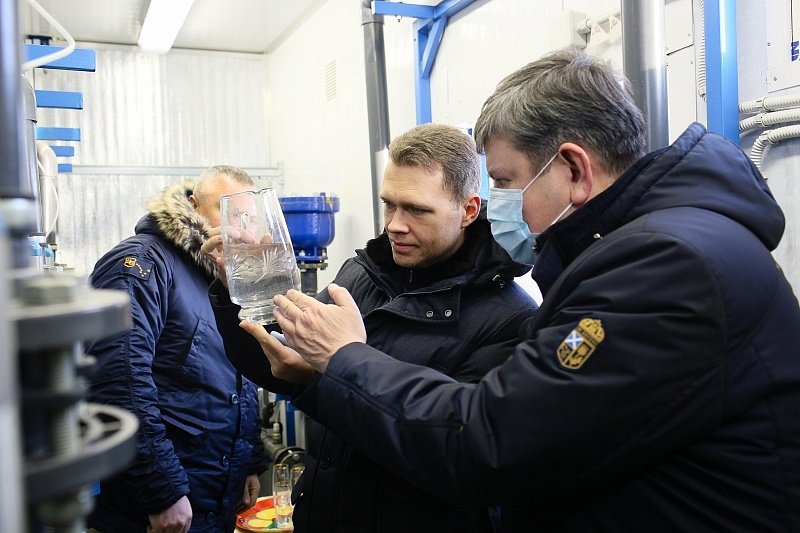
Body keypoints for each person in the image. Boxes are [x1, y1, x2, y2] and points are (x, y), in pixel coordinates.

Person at [253, 48, 800, 531]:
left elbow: (491, 443)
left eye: (507, 181)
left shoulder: (663, 266)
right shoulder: (648, 249)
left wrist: (348, 357)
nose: (500, 204)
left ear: (573, 170)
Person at [203, 123, 538, 532]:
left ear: (468, 210)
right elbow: (275, 360)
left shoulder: (510, 321)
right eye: (389, 205)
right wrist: (236, 294)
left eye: (416, 209)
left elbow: (457, 457)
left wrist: (331, 373)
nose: (396, 224)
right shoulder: (360, 276)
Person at [85, 166, 266, 533]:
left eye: (249, 217)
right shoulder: (140, 265)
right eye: (228, 212)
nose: (241, 228)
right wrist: (160, 491)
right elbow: (118, 382)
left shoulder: (223, 276)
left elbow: (237, 376)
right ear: (192, 206)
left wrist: (251, 460)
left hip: (214, 496)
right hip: (158, 507)